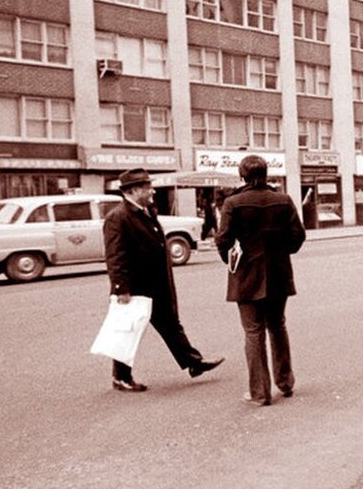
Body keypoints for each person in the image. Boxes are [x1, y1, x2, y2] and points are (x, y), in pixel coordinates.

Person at [102, 167, 223, 392]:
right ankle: (121, 377)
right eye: (148, 188)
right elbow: (115, 256)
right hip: (137, 286)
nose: (152, 192)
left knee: (170, 324)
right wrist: (121, 288)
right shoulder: (118, 218)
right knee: (129, 331)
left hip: (156, 283)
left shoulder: (146, 211)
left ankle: (194, 363)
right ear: (134, 190)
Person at [215, 155, 306, 407]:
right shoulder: (283, 200)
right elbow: (298, 235)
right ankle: (285, 382)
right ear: (266, 174)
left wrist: (231, 260)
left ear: (242, 175)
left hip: (246, 275)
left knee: (253, 332)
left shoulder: (233, 202)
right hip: (278, 272)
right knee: (277, 326)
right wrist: (281, 251)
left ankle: (259, 392)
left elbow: (222, 239)